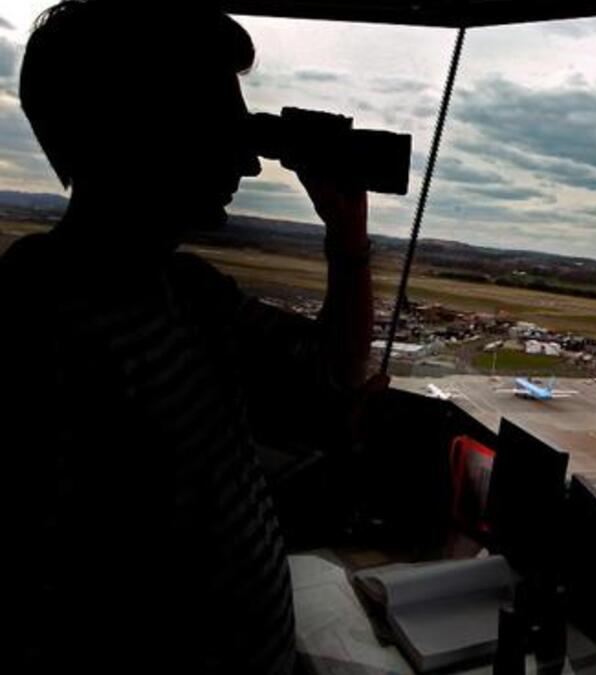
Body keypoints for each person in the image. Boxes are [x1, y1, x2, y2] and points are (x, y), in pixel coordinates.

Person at [1, 2, 375, 672]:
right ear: (145, 129)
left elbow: (333, 372)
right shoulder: (34, 324)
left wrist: (348, 245)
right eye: (222, 127)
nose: (252, 164)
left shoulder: (190, 291)